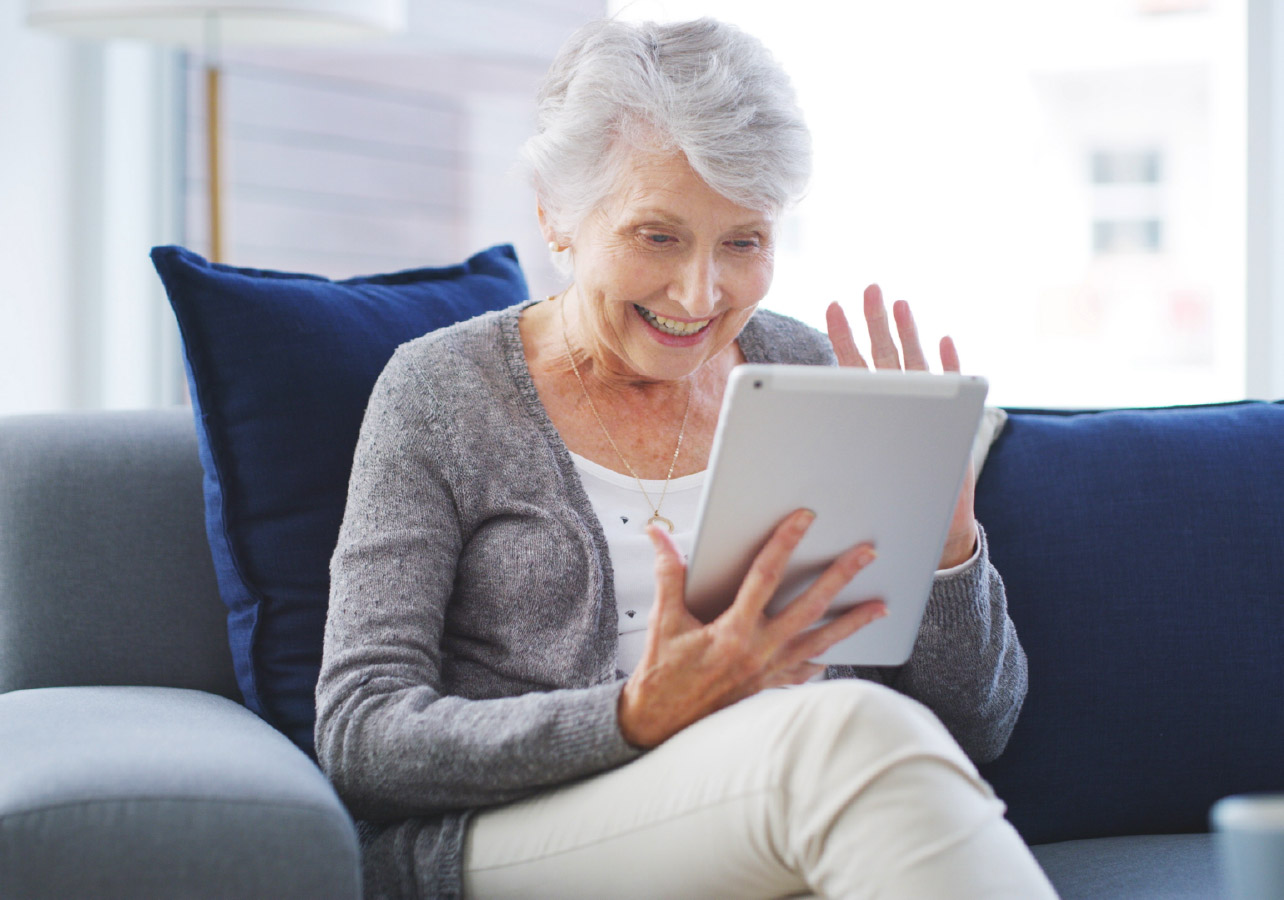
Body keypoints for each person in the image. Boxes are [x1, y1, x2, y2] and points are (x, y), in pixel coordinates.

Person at [315, 16, 1058, 900]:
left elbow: (978, 726)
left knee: (845, 744)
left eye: (743, 242)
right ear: (557, 212)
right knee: (843, 735)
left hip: (790, 814)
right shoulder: (440, 391)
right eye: (657, 236)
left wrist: (947, 546)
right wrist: (634, 714)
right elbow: (363, 737)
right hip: (530, 832)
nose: (700, 295)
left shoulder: (806, 372)